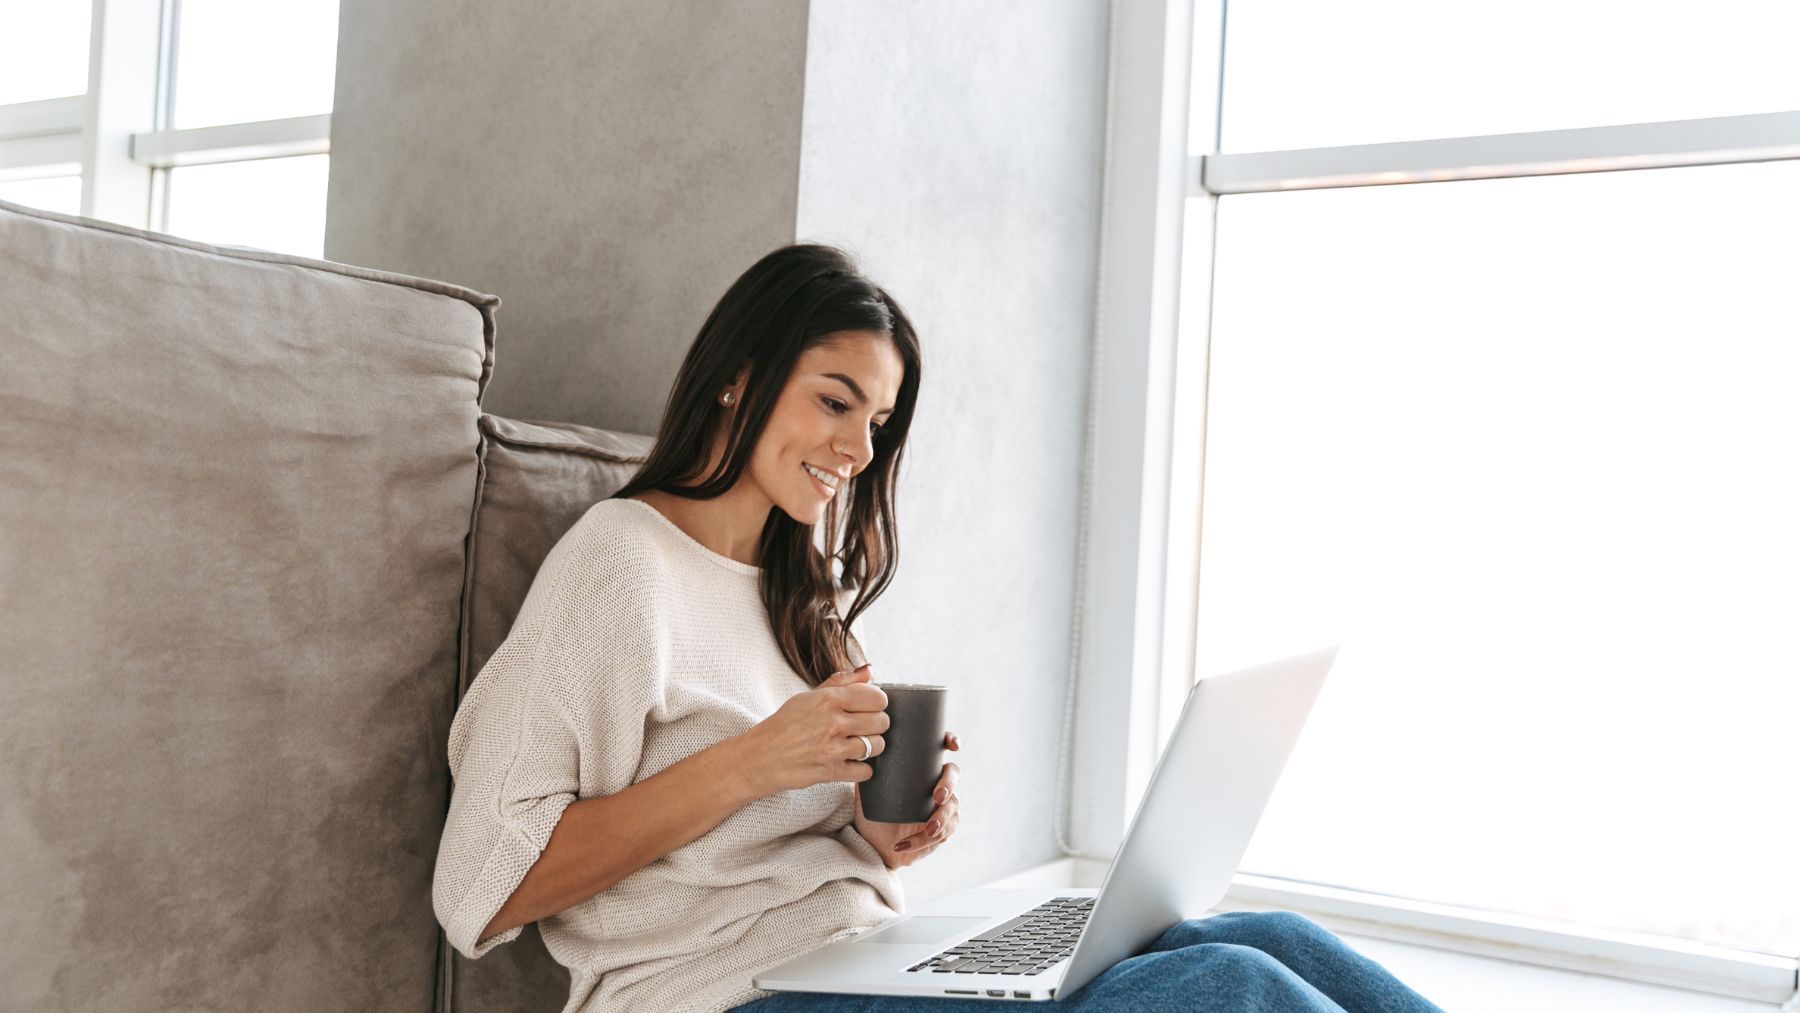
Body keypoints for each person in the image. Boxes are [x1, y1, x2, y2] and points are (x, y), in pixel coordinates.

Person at [431, 243, 1447, 1013]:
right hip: (721, 995)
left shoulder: (800, 593)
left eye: (876, 423)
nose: (856, 449)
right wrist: (752, 762)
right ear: (739, 374)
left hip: (862, 961)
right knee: (1232, 986)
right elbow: (483, 884)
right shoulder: (621, 564)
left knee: (1274, 938)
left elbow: (787, 845)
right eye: (836, 402)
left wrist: (878, 831)